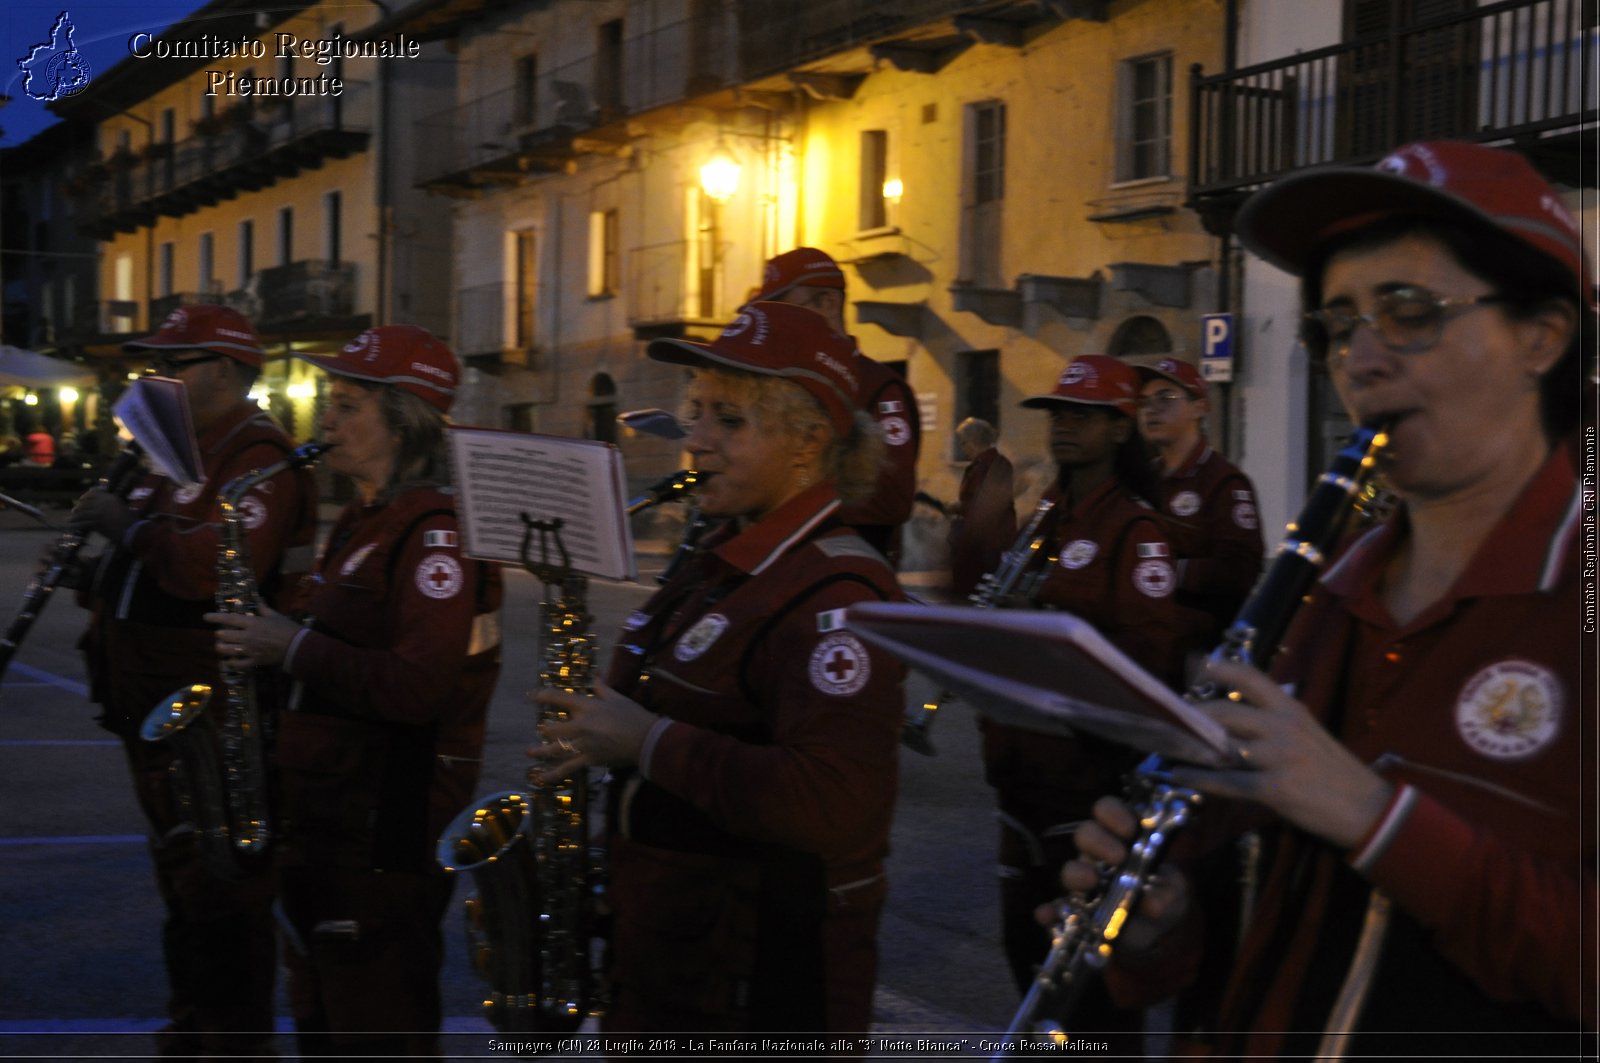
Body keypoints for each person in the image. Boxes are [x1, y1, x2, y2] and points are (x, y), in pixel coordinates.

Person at [1064, 140, 1594, 1057]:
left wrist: (1376, 818)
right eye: (1339, 324)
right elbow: (1263, 917)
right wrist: (1161, 923)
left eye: (1410, 311)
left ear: (1540, 338)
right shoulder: (1327, 594)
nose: (1361, 359)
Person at [527, 301, 907, 1033]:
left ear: (808, 440)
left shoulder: (838, 594)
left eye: (729, 421)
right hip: (674, 956)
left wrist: (647, 742)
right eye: (697, 412)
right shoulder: (716, 560)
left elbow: (831, 802)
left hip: (755, 983)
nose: (694, 441)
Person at [205, 325, 505, 1058]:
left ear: (404, 419)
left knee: (375, 1020)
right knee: (323, 1013)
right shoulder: (369, 517)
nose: (322, 422)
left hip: (381, 817)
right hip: (327, 807)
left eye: (345, 406)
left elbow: (418, 686)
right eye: (326, 404)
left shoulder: (436, 532)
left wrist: (291, 645)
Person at [68, 304, 319, 1060]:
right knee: (184, 886)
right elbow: (149, 561)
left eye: (174, 365)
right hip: (149, 700)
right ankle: (195, 1026)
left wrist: (125, 527)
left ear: (224, 370)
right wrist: (98, 568)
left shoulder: (254, 453)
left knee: (219, 890)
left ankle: (231, 1042)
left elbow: (204, 563)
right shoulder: (176, 449)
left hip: (210, 709)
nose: (158, 378)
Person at [983, 354, 1181, 1048]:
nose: (1063, 426)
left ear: (1119, 430)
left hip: (1084, 781)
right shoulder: (1046, 516)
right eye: (1057, 413)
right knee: (1023, 956)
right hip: (1019, 776)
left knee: (1091, 998)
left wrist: (1046, 616)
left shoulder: (1137, 530)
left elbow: (1148, 660)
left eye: (1083, 415)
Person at [747, 247, 922, 566]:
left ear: (828, 304)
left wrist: (789, 501)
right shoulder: (788, 385)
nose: (775, 324)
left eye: (785, 309)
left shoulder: (879, 388)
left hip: (842, 574)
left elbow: (891, 500)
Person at [1134, 357, 1264, 658]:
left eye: (1165, 398)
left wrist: (1160, 569)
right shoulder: (1143, 479)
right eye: (1143, 402)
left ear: (1199, 407)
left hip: (1198, 652)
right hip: (1147, 642)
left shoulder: (1223, 482)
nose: (1151, 410)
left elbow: (1238, 571)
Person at [946, 416, 1017, 598]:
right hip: (993, 541)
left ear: (974, 441)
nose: (964, 449)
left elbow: (981, 505)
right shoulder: (1000, 463)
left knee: (975, 595)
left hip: (981, 544)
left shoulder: (984, 466)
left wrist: (957, 507)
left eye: (964, 443)